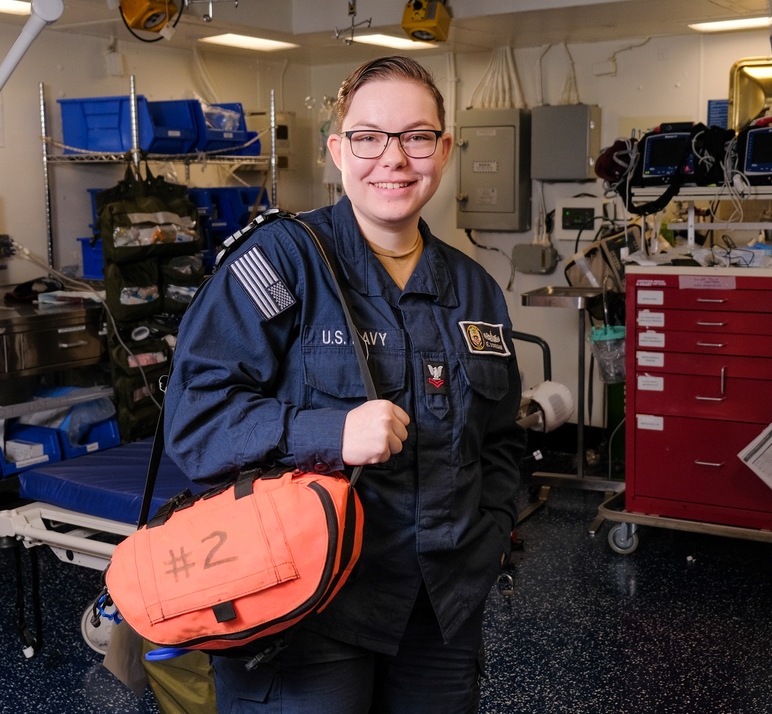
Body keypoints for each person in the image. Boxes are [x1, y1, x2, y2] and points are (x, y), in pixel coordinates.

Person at [163, 55, 526, 713]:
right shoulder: (278, 264)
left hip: (438, 606)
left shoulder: (473, 289)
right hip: (307, 603)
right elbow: (196, 421)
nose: (392, 158)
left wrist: (490, 530)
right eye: (368, 137)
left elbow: (498, 441)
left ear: (442, 150)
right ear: (337, 150)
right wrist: (330, 432)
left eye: (415, 136)